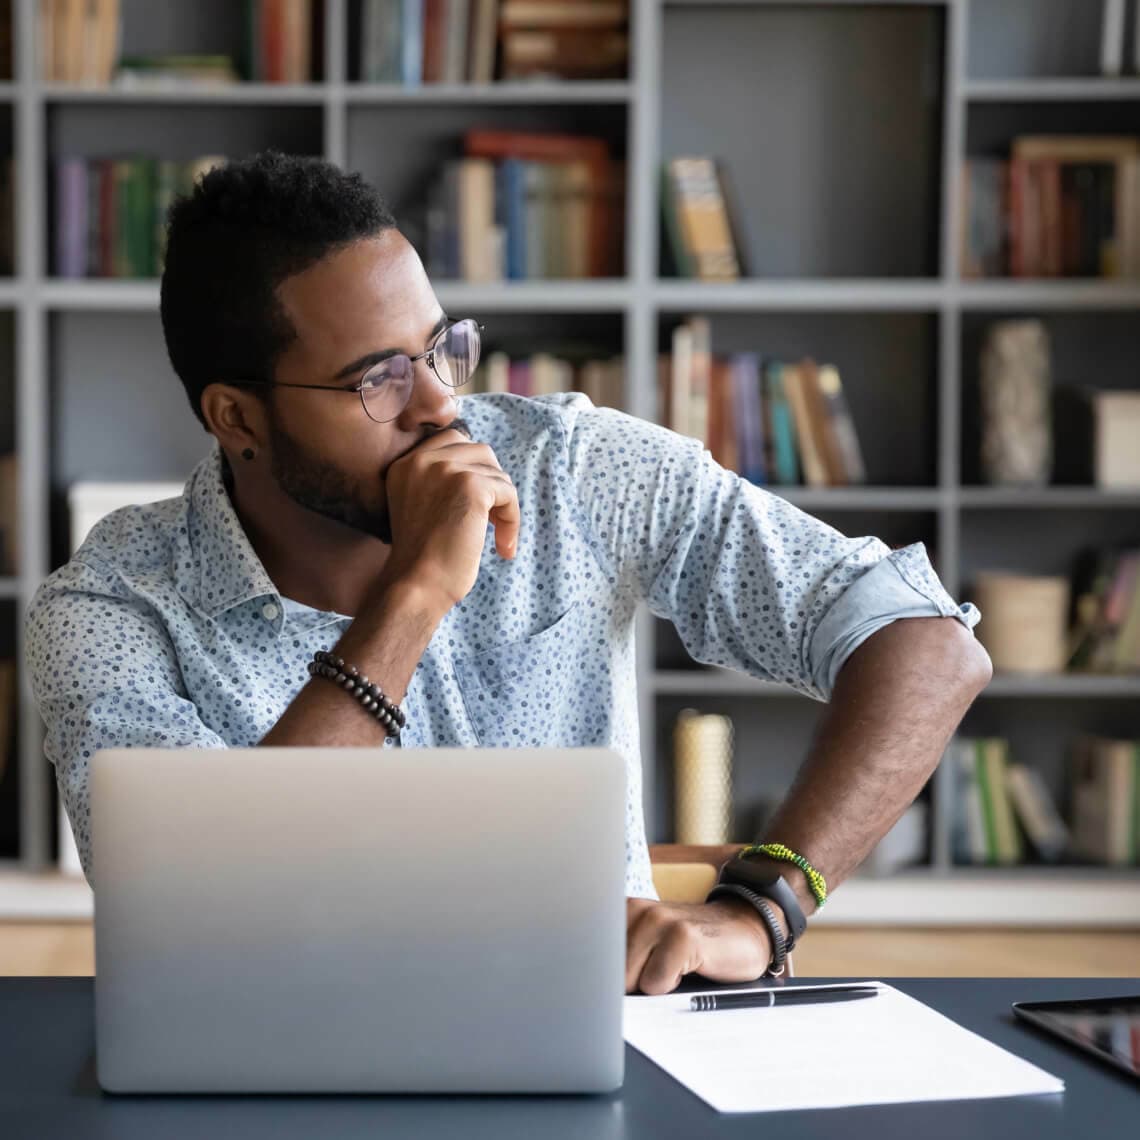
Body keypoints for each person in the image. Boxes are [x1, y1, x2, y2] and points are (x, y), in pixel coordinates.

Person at [25, 151, 991, 996]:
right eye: (378, 380)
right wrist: (414, 596)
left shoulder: (570, 468)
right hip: (289, 1076)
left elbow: (929, 644)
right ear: (236, 418)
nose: (444, 406)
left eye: (441, 347)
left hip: (603, 1040)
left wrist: (766, 905)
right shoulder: (110, 609)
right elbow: (193, 919)